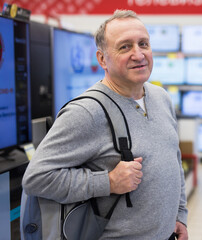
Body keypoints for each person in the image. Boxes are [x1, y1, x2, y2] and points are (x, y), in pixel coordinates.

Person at [22, 9, 188, 240]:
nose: (138, 54)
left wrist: (179, 215)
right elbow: (36, 179)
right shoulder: (86, 112)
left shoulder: (161, 97)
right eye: (125, 47)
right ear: (102, 58)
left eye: (143, 44)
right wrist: (107, 182)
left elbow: (174, 159)